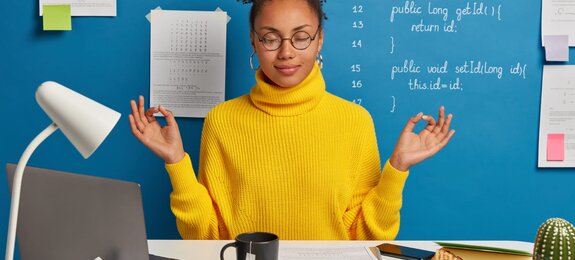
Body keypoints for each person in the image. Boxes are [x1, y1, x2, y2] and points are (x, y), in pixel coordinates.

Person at [129, 0, 455, 240]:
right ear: (254, 42)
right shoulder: (222, 120)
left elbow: (365, 238)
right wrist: (176, 162)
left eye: (301, 37)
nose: (286, 52)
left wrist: (397, 169)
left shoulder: (354, 121)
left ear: (320, 40)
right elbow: (205, 236)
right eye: (271, 38)